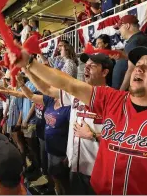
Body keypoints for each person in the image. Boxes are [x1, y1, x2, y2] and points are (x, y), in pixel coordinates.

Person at [10, 46, 147, 194]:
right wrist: (30, 63)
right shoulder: (112, 99)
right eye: (139, 64)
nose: (139, 68)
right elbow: (69, 84)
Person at [25, 53, 113, 194]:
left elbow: (120, 137)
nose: (87, 68)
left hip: (97, 171)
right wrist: (26, 69)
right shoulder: (76, 93)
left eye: (93, 66)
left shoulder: (113, 98)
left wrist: (94, 135)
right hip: (74, 167)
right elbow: (47, 89)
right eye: (87, 65)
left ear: (105, 72)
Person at [113, 15, 147, 91]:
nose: (119, 31)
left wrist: (121, 92)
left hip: (125, 92)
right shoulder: (138, 39)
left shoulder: (135, 41)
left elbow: (132, 68)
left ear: (127, 26)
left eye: (120, 27)